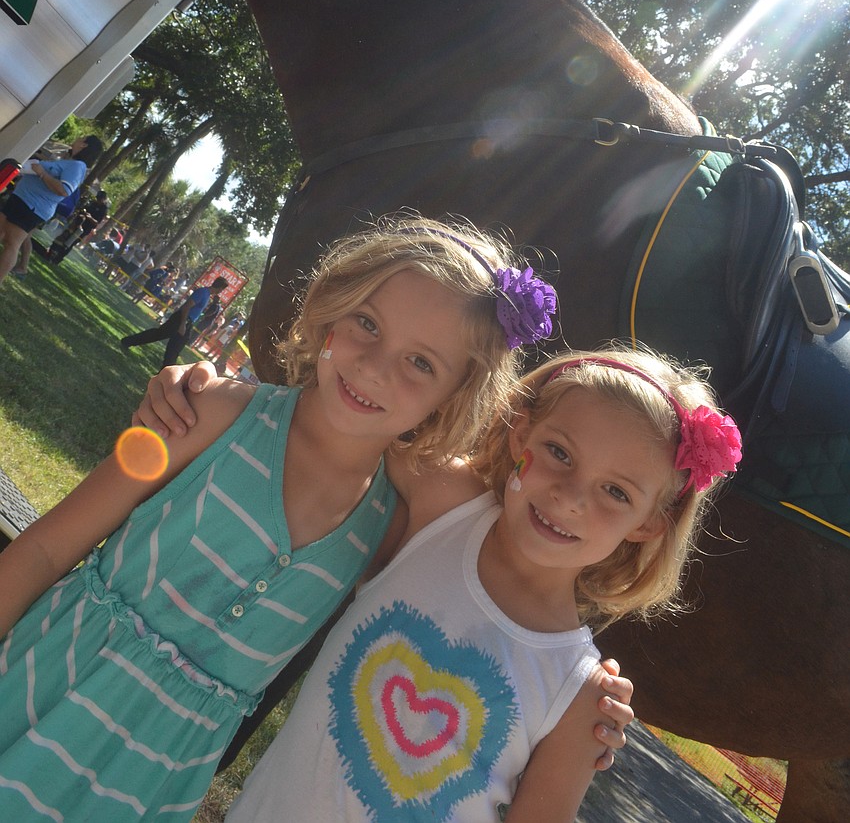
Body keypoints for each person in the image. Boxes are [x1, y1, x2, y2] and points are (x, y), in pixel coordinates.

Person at [0, 218, 630, 821]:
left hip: (154, 774)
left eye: (421, 364)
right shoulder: (215, 412)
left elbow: (529, 528)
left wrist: (587, 689)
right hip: (43, 684)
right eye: (366, 324)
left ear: (455, 394)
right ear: (332, 308)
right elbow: (46, 551)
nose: (375, 366)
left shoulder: (388, 524)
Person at [223, 346, 741, 822]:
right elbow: (332, 425)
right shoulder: (445, 504)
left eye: (615, 491)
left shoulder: (584, 699)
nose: (571, 496)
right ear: (521, 433)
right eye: (560, 452)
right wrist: (213, 395)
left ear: (651, 523)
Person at [0, 135, 104, 285]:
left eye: (81, 138)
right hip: (21, 199)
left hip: (32, 207)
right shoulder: (70, 162)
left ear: (84, 145)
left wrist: (42, 173)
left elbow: (64, 190)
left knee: (12, 243)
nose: (77, 138)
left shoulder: (78, 166)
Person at [120, 274, 230, 367]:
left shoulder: (207, 295)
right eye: (222, 289)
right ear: (220, 288)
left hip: (187, 321)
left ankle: (166, 369)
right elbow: (187, 306)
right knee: (161, 337)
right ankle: (128, 342)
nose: (221, 291)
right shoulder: (203, 292)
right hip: (181, 320)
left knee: (174, 346)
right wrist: (182, 324)